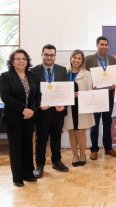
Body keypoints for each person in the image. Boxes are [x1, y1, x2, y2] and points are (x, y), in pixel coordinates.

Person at [0, 49, 41, 187]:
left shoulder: (33, 76)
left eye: (23, 58)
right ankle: (17, 176)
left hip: (30, 117)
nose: (21, 61)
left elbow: (38, 96)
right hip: (14, 117)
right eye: (18, 59)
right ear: (12, 62)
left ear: (27, 61)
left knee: (27, 146)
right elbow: (6, 97)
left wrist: (32, 110)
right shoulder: (5, 76)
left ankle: (28, 173)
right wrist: (23, 109)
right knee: (16, 147)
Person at [31, 44, 69, 177]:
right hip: (42, 111)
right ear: (41, 55)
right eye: (46, 54)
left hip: (57, 111)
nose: (49, 57)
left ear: (55, 56)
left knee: (56, 138)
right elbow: (32, 93)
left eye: (52, 55)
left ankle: (56, 161)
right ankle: (40, 165)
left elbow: (66, 91)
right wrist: (38, 105)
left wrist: (64, 105)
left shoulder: (62, 70)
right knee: (41, 139)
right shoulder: (33, 71)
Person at [85, 36, 116, 160]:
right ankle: (94, 149)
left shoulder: (112, 59)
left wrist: (115, 83)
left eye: (106, 44)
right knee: (94, 124)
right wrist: (90, 86)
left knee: (107, 122)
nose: (104, 46)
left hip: (108, 96)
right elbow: (86, 76)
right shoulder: (88, 59)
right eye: (102, 44)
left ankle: (108, 148)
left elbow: (114, 75)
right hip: (95, 96)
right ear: (97, 45)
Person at [64, 50, 95, 167]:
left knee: (81, 132)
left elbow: (89, 91)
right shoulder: (64, 71)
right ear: (71, 58)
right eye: (74, 57)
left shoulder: (86, 74)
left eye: (79, 58)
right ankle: (74, 155)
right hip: (68, 107)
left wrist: (79, 94)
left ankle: (82, 154)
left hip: (82, 106)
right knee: (71, 131)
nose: (76, 60)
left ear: (82, 61)